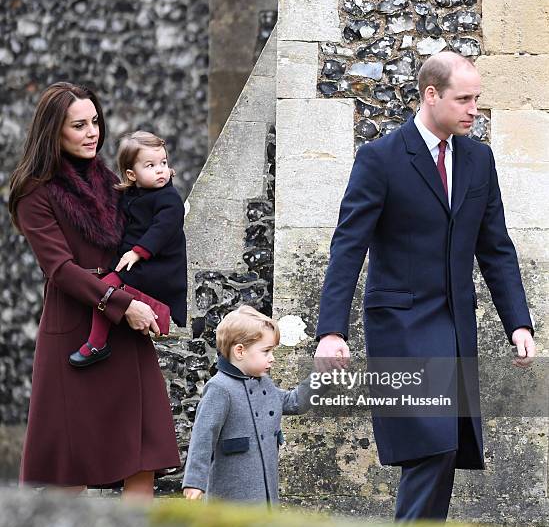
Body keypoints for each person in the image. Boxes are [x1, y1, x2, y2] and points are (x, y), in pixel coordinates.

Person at [315, 52, 535, 521]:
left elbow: (495, 247)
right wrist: (332, 330)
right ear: (431, 95)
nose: (475, 108)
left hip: (455, 328)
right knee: (433, 446)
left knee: (445, 451)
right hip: (401, 327)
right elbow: (348, 246)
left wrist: (517, 322)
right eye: (464, 99)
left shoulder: (479, 159)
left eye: (477, 98)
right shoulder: (380, 159)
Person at [8, 82, 181, 500]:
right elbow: (60, 270)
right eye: (79, 125)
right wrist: (124, 305)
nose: (93, 133)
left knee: (142, 456)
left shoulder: (112, 182)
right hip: (75, 331)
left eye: (96, 122)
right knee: (73, 462)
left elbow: (152, 230)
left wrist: (153, 299)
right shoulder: (35, 192)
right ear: (54, 131)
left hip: (124, 327)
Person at [68, 130, 187, 367]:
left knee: (107, 289)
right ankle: (104, 338)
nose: (161, 169)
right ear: (132, 174)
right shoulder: (132, 194)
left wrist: (138, 251)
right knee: (108, 288)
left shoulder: (169, 199)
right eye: (151, 165)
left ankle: (97, 343)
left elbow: (163, 229)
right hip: (141, 262)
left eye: (163, 163)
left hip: (159, 265)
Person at [182, 305, 319, 504]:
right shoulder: (220, 388)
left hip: (265, 496)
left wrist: (324, 374)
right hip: (229, 498)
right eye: (266, 351)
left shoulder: (265, 384)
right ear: (240, 351)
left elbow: (295, 402)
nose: (272, 358)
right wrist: (195, 481)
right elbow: (203, 436)